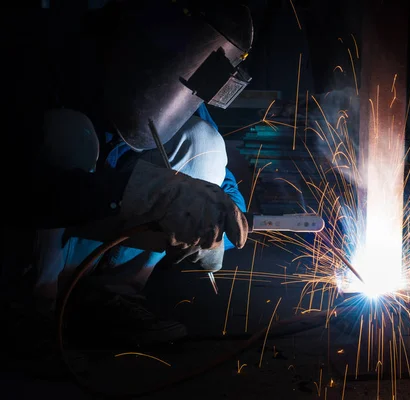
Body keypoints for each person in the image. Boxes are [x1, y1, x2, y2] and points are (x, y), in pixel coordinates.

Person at [2, 0, 254, 345]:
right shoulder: (48, 53)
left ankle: (114, 293)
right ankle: (36, 303)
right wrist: (133, 191)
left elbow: (225, 190)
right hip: (36, 239)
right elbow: (21, 185)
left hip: (96, 246)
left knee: (203, 139)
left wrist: (215, 225)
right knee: (68, 133)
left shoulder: (172, 88)